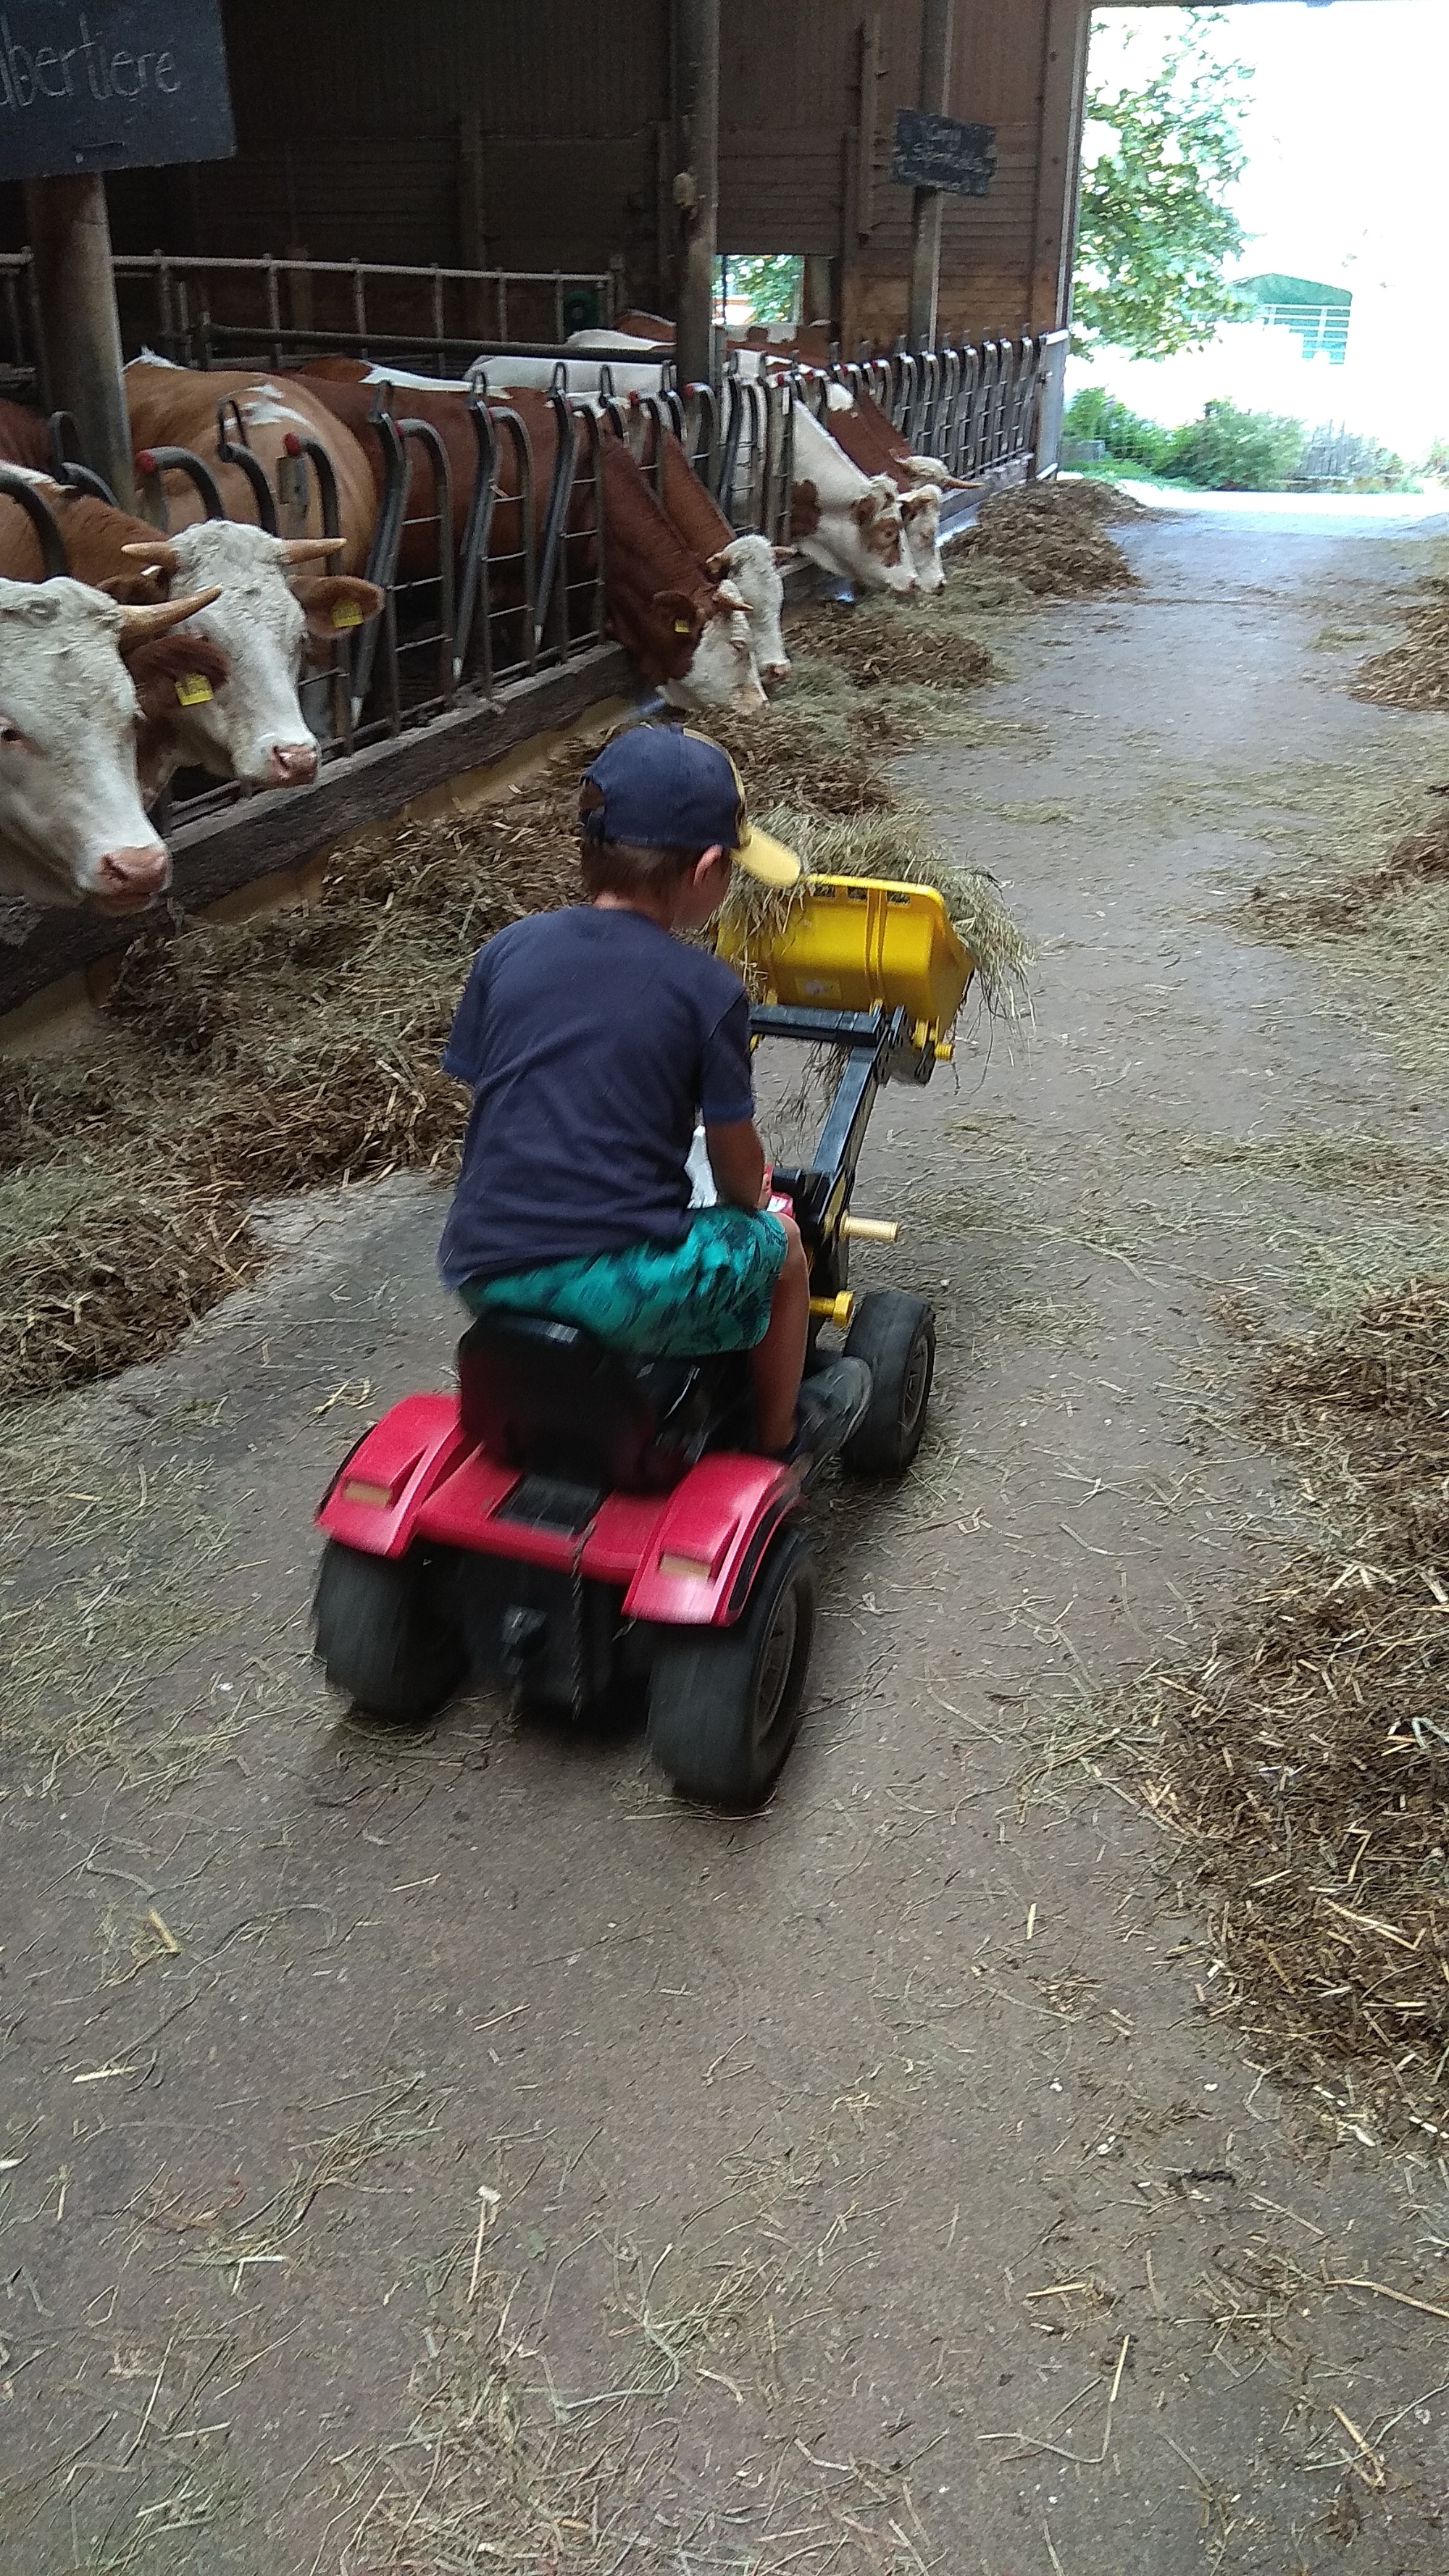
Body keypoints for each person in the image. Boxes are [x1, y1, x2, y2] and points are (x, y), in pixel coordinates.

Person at [438, 722, 868, 1462]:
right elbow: (734, 1168)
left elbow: (498, 1092)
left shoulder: (504, 952)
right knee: (784, 1244)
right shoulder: (707, 991)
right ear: (704, 868)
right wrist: (751, 1204)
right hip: (616, 1290)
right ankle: (778, 1437)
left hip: (481, 1271)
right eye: (731, 868)